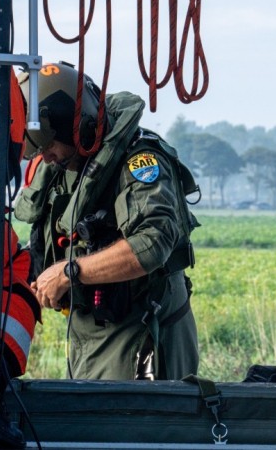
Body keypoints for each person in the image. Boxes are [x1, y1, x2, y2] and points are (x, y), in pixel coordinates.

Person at [13, 61, 200, 380]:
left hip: (141, 334)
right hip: (90, 334)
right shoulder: (67, 166)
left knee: (129, 427)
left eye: (50, 146)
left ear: (77, 125)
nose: (47, 158)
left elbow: (152, 242)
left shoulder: (141, 161)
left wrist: (68, 272)